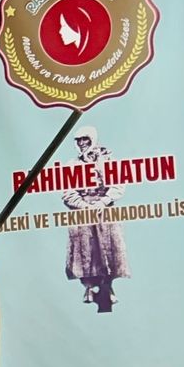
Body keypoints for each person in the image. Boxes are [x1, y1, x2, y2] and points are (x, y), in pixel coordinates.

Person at [63, 125, 129, 306]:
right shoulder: (72, 165)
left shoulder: (107, 160)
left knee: (109, 248)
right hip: (82, 212)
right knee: (84, 250)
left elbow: (118, 184)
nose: (82, 143)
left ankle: (108, 286)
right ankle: (89, 287)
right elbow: (67, 192)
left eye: (85, 139)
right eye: (78, 140)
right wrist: (84, 205)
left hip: (104, 210)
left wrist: (103, 201)